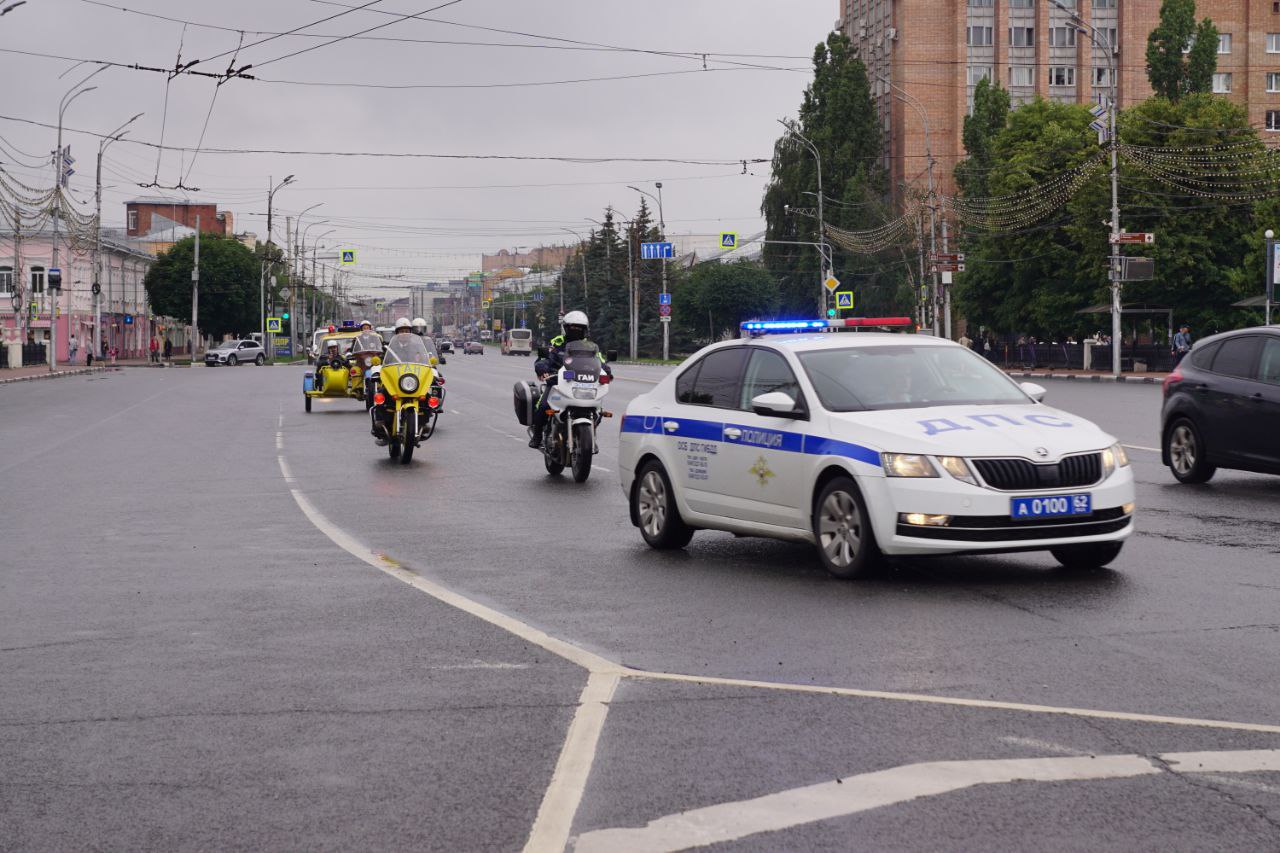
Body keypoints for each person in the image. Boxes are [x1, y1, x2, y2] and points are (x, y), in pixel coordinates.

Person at [528, 310, 609, 448]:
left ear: (585, 330)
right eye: (572, 328)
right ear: (566, 328)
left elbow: (600, 361)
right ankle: (537, 436)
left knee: (598, 410)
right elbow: (544, 358)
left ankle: (590, 434)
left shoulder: (590, 346)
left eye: (579, 328)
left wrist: (606, 371)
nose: (576, 331)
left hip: (583, 384)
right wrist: (543, 368)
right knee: (543, 407)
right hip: (558, 383)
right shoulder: (557, 342)